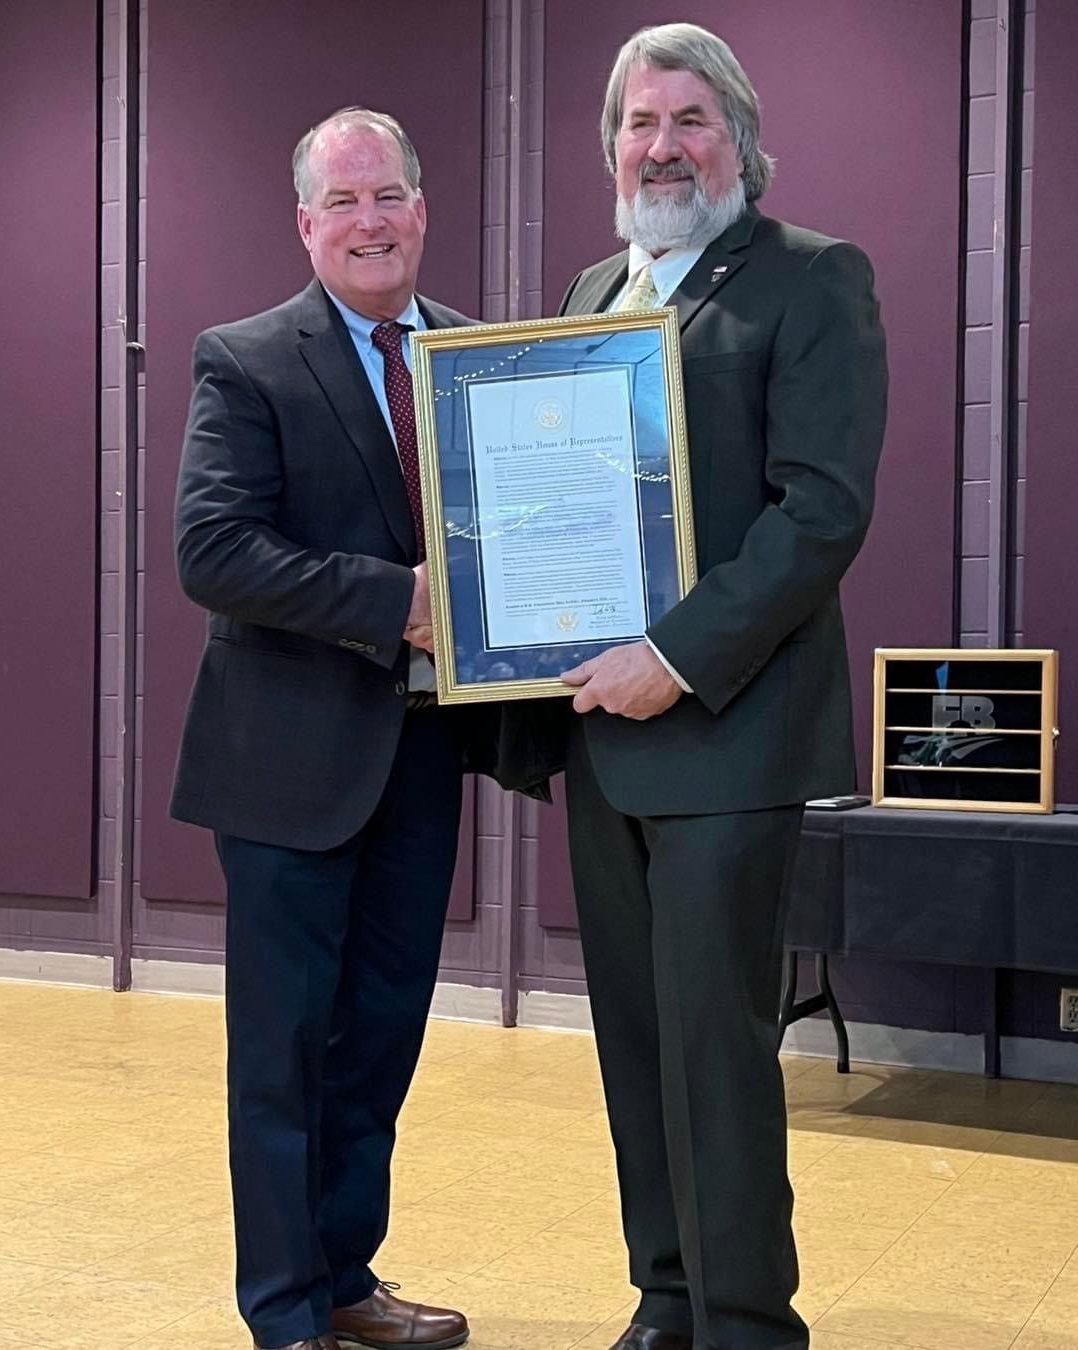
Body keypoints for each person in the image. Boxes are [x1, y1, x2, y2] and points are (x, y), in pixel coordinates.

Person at [552, 23, 888, 1350]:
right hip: (597, 737)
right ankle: (670, 1291)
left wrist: (673, 655)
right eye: (640, 122)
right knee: (637, 1043)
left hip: (730, 735)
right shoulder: (588, 291)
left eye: (690, 118)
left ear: (741, 141)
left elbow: (821, 512)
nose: (663, 143)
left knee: (718, 1051)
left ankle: (749, 1320)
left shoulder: (812, 280)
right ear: (612, 150)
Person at [170, 107, 474, 1350]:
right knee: (285, 1056)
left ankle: (348, 1277)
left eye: (387, 195)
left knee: (382, 1039)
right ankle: (284, 1311)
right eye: (342, 202)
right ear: (306, 225)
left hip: (418, 764)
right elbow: (213, 549)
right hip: (285, 772)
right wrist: (394, 602)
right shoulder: (244, 358)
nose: (369, 220)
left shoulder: (474, 353)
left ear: (422, 208)